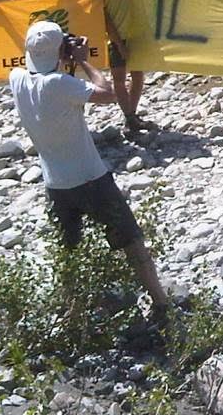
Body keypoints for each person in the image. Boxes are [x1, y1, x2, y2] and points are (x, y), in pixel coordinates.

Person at [10, 21, 169, 312]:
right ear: (60, 50)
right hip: (90, 178)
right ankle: (160, 302)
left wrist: (59, 59)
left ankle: (73, 312)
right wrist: (83, 60)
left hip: (55, 183)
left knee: (70, 250)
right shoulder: (59, 84)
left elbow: (47, 78)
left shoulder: (16, 79)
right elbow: (107, 93)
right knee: (131, 241)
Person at [84, 0, 149, 136]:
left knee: (138, 75)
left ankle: (133, 114)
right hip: (114, 38)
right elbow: (103, 18)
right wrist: (119, 43)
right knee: (119, 79)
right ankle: (128, 116)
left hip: (136, 31)